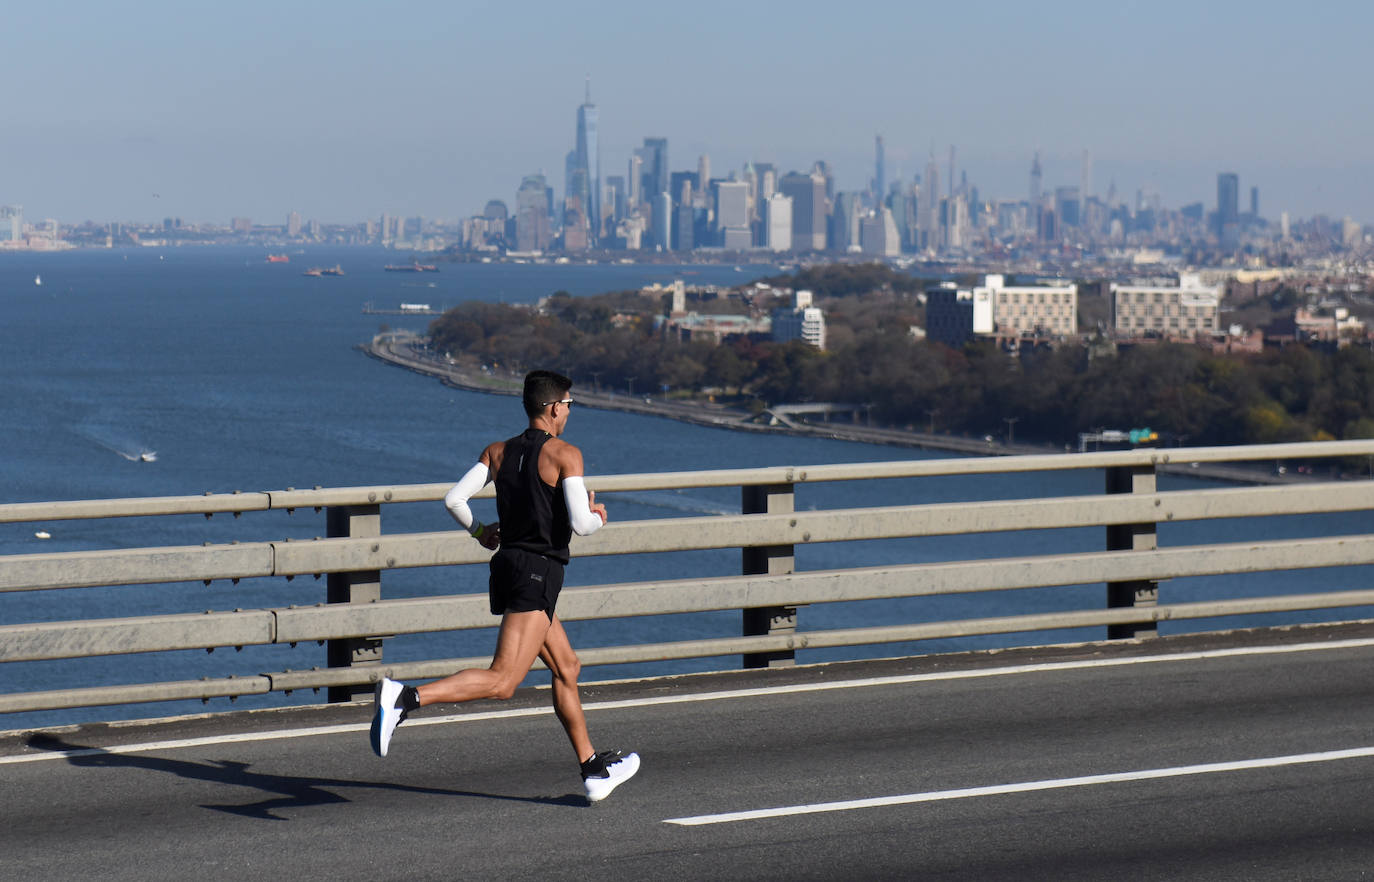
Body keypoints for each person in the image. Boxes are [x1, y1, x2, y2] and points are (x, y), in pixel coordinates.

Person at [370, 370, 640, 803]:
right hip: (539, 572)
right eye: (569, 404)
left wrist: (481, 533)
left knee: (566, 667)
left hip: (510, 566)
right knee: (503, 681)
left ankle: (593, 768)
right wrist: (598, 514)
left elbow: (453, 500)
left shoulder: (497, 452)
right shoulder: (566, 455)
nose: (569, 412)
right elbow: (580, 526)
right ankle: (405, 698)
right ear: (553, 407)